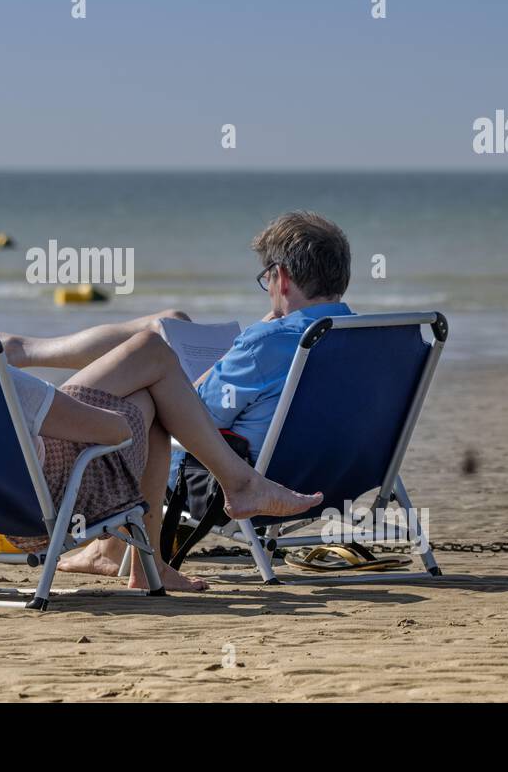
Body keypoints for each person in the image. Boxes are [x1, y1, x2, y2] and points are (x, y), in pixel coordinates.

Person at [0, 220, 324, 592]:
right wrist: (140, 402)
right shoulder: (3, 387)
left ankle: (168, 541)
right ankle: (199, 516)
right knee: (153, 372)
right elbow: (113, 432)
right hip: (30, 515)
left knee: (154, 351)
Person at [62, 210, 354, 577]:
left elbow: (191, 414)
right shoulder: (365, 337)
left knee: (146, 399)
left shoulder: (267, 344)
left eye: (267, 278)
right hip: (341, 478)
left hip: (230, 479)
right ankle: (108, 551)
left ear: (280, 278)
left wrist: (184, 375)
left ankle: (109, 549)